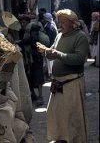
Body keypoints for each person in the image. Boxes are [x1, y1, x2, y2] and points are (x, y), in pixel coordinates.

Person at [37, 9, 89, 143]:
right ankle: (61, 139)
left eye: (63, 22)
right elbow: (53, 51)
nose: (60, 24)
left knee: (71, 118)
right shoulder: (60, 35)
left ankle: (72, 140)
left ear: (73, 23)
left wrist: (57, 54)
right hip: (57, 83)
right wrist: (45, 51)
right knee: (55, 114)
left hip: (71, 82)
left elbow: (79, 59)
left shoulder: (80, 36)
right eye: (58, 21)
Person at [17, 14, 49, 106]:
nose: (22, 24)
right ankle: (33, 95)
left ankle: (40, 96)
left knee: (38, 76)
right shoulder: (25, 30)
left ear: (27, 22)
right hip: (30, 57)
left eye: (24, 22)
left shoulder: (33, 28)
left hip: (36, 56)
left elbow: (33, 40)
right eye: (21, 22)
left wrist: (21, 42)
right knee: (29, 76)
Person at [41, 13, 58, 80]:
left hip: (50, 46)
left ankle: (50, 76)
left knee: (49, 62)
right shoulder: (51, 25)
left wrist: (47, 48)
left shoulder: (48, 27)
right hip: (51, 46)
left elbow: (49, 39)